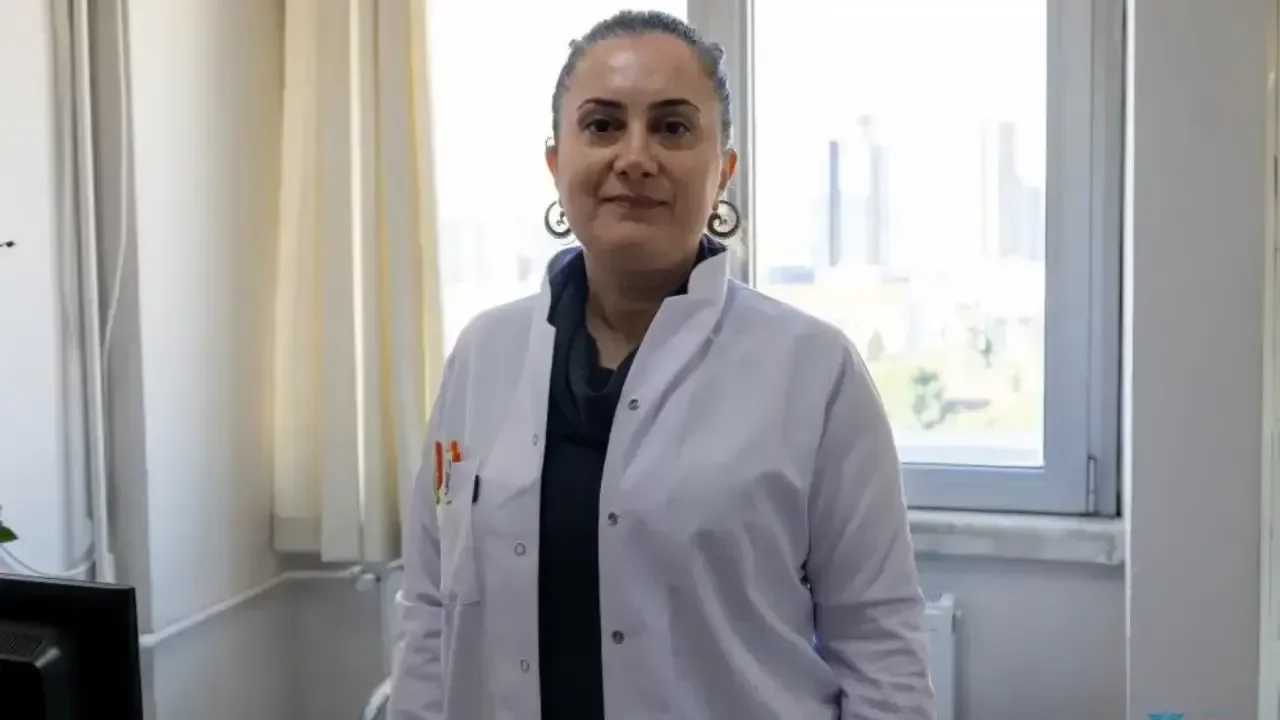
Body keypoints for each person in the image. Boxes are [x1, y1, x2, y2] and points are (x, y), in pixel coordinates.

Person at [389, 10, 934, 720]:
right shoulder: (483, 354)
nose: (635, 156)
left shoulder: (814, 370)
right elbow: (431, 612)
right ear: (556, 163)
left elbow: (880, 644)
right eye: (602, 125)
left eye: (673, 128)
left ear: (723, 171)